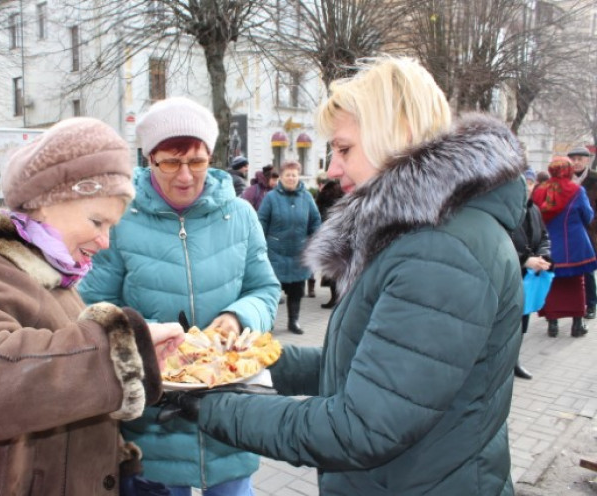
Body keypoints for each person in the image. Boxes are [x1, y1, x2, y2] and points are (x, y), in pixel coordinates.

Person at [161, 56, 528, 495]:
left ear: (402, 135)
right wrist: (232, 362)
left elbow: (360, 427)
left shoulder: (440, 250)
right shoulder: (422, 234)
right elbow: (364, 369)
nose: (332, 168)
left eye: (344, 148)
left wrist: (210, 406)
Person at [0, 117, 184, 496]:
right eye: (97, 220)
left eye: (111, 226)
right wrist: (123, 351)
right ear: (47, 199)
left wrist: (121, 453)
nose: (105, 241)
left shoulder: (52, 279)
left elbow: (56, 392)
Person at [77, 97, 281, 496]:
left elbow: (265, 289)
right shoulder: (120, 221)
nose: (186, 176)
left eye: (197, 161)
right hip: (153, 422)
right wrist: (143, 335)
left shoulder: (239, 216)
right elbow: (92, 306)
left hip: (229, 416)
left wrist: (237, 317)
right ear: (148, 158)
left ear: (211, 157)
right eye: (170, 162)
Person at [533, 156, 597, 338]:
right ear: (568, 171)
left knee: (551, 283)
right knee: (577, 283)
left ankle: (552, 324)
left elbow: (534, 217)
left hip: (548, 245)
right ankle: (577, 324)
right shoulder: (576, 190)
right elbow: (588, 216)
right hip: (574, 245)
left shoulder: (539, 190)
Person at [258, 160, 321, 334]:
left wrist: (314, 240)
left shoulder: (307, 197)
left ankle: (294, 322)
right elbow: (261, 221)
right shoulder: (271, 197)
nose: (291, 178)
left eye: (294, 174)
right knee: (271, 292)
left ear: (298, 176)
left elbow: (315, 220)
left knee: (297, 292)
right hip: (275, 254)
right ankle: (268, 323)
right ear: (281, 177)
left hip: (298, 254)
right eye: (288, 175)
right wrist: (260, 244)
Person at [511, 168, 552, 379]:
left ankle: (515, 360)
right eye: (524, 182)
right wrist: (525, 260)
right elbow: (501, 242)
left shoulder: (534, 209)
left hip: (528, 276)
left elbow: (544, 236)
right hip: (510, 275)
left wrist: (543, 256)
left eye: (530, 182)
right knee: (507, 323)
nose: (528, 186)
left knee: (522, 320)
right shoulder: (507, 211)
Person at [568, 146, 597, 319]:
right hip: (569, 231)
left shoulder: (594, 179)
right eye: (574, 159)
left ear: (587, 159)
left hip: (590, 231)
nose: (577, 162)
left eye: (580, 158)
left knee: (588, 268)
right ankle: (571, 305)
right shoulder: (564, 179)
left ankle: (591, 304)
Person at [314, 172, 344, 308]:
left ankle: (334, 299)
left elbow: (320, 216)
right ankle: (339, 299)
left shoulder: (325, 195)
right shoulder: (343, 192)